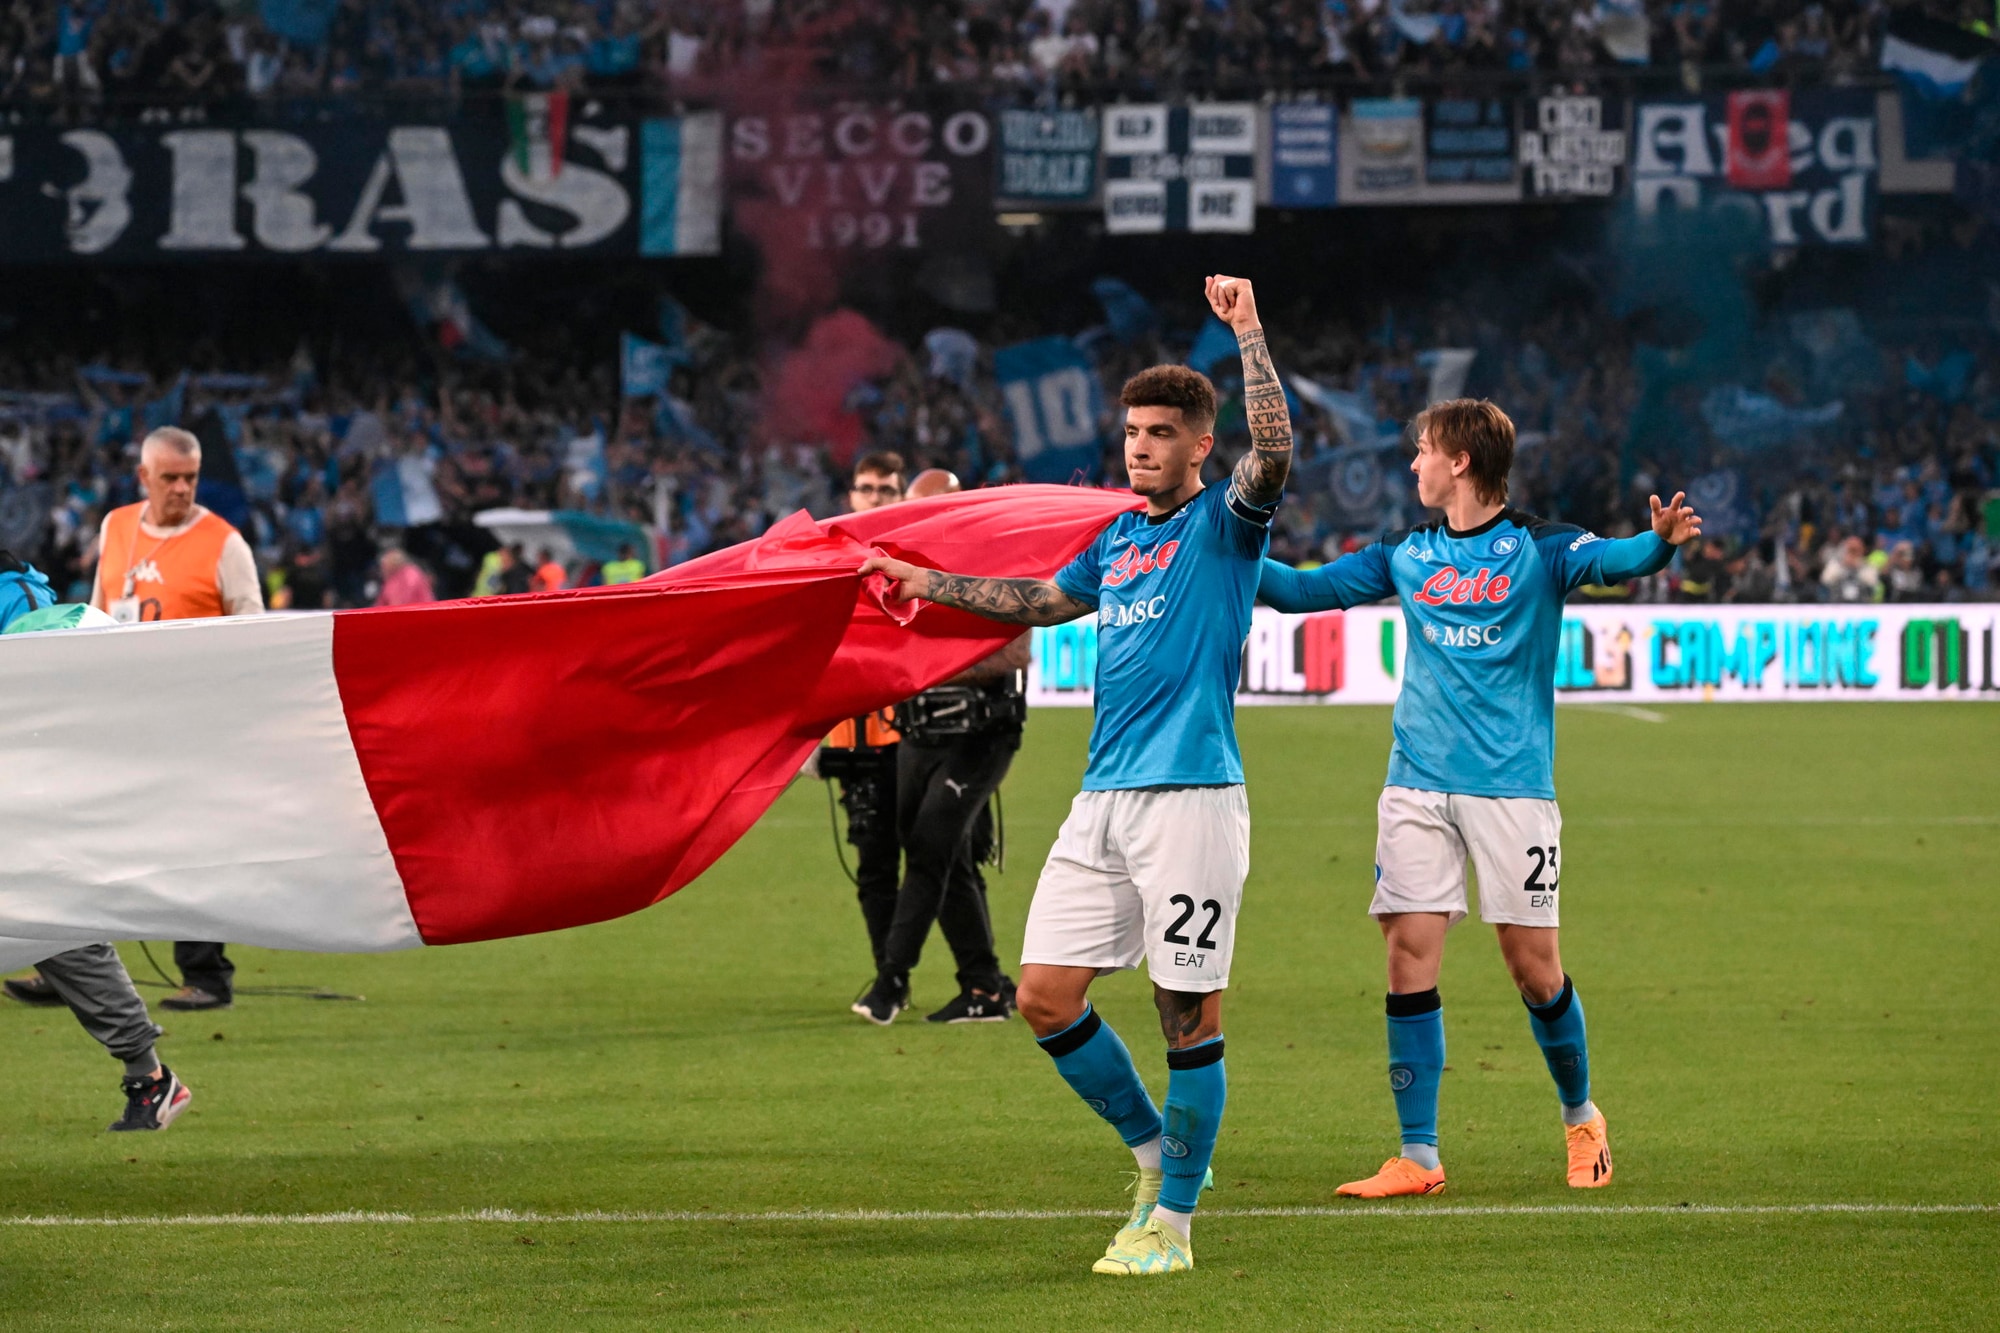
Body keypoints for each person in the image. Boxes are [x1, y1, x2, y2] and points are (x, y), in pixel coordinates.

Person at [860, 275, 1291, 1275]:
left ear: (1199, 444)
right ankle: (1154, 1155)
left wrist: (1248, 332)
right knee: (1044, 995)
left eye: (1159, 433)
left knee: (1186, 1014)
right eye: (1131, 431)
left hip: (1191, 800)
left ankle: (1172, 1225)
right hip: (1102, 798)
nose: (1139, 446)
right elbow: (1041, 601)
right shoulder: (1120, 538)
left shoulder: (1225, 524)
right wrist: (928, 583)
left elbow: (1272, 454)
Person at [1256, 398, 1702, 1199]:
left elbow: (1620, 559)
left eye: (1423, 450)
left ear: (1459, 460)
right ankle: (1418, 1155)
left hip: (1512, 789)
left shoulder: (1541, 546)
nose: (1414, 463)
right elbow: (1299, 591)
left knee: (1533, 969)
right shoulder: (1406, 552)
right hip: (1415, 782)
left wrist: (1660, 543)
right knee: (1407, 951)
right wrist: (1223, 548)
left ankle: (1582, 1116)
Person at [0, 550, 193, 1132]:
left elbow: (56, 688)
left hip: (27, 799)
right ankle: (148, 1076)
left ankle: (149, 1076)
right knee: (54, 929)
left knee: (56, 929)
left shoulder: (21, 600)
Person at [89, 425, 262, 1013]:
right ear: (144, 477)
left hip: (195, 728)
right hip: (121, 719)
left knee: (193, 851)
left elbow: (255, 637)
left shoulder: (224, 544)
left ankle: (206, 977)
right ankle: (72, 968)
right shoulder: (116, 526)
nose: (182, 488)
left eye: (190, 477)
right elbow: (98, 614)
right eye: (170, 478)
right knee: (89, 844)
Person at [852, 467, 1027, 1026]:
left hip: (980, 734)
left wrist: (930, 662)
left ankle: (891, 980)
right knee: (943, 854)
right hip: (917, 733)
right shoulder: (898, 568)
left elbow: (1016, 651)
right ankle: (985, 986)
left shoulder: (993, 562)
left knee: (930, 847)